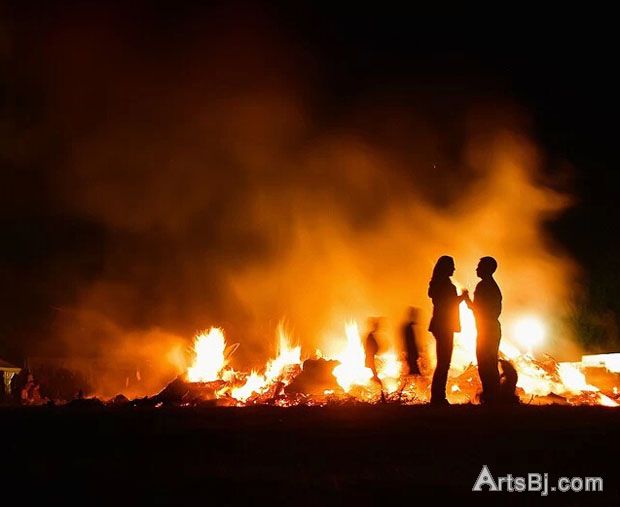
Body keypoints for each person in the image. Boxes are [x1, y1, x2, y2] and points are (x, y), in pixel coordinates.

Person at [428, 256, 468, 405]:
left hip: (440, 325)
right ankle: (438, 398)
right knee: (444, 362)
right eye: (452, 266)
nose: (454, 269)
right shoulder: (444, 284)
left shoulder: (438, 283)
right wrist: (462, 297)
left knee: (443, 362)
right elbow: (448, 303)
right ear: (445, 267)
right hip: (444, 325)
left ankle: (438, 397)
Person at [464, 256, 503, 405]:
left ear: (487, 269)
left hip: (487, 330)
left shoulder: (484, 286)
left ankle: (491, 398)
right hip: (490, 328)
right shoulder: (491, 285)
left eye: (479, 266)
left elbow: (480, 309)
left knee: (486, 364)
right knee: (489, 364)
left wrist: (467, 299)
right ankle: (493, 397)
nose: (476, 269)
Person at [402, 307, 421, 375]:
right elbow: (409, 342)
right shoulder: (408, 328)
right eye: (415, 316)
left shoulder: (409, 327)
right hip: (411, 352)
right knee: (414, 371)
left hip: (412, 352)